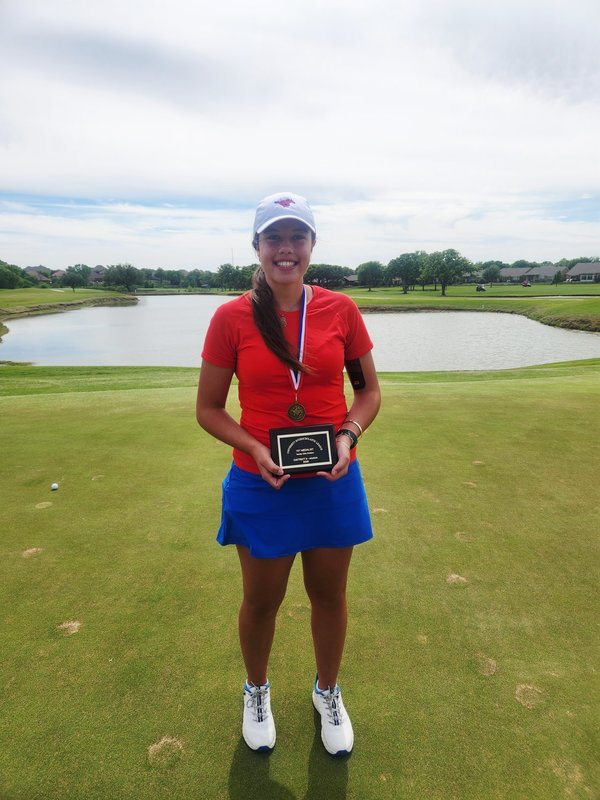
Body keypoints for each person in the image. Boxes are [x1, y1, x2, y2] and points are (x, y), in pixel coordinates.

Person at [196, 191, 381, 756]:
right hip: (261, 481)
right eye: (274, 237)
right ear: (256, 246)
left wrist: (347, 437)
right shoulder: (230, 317)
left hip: (332, 480)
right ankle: (257, 690)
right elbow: (208, 407)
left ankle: (327, 692)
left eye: (296, 237)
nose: (285, 248)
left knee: (329, 594)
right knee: (262, 600)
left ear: (312, 247)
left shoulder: (340, 310)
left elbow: (368, 391)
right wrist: (253, 446)